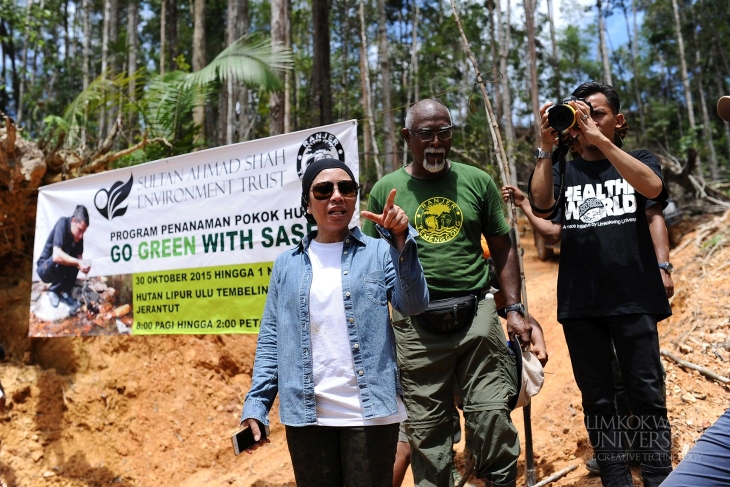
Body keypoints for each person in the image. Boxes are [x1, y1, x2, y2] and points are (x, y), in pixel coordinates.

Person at [364, 98, 531, 487]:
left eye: (444, 132)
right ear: (408, 137)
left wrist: (515, 309)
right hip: (414, 327)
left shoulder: (477, 181)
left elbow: (503, 246)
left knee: (491, 415)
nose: (436, 142)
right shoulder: (386, 190)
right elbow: (371, 267)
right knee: (427, 434)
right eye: (426, 134)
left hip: (477, 315)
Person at [240, 158, 429, 487]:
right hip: (307, 416)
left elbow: (413, 304)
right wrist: (257, 404)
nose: (337, 196)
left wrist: (401, 240)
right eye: (324, 189)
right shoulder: (287, 264)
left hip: (370, 413)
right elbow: (271, 339)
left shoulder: (378, 252)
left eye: (347, 188)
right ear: (307, 203)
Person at [528, 82, 673, 487]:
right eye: (581, 113)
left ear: (618, 121)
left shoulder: (639, 159)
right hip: (581, 302)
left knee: (645, 390)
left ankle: (659, 475)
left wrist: (599, 140)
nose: (588, 121)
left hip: (634, 295)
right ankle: (614, 477)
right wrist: (545, 146)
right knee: (598, 397)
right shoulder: (561, 165)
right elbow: (541, 204)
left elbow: (653, 190)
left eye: (598, 113)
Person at [36, 205, 91, 313]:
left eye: (83, 232)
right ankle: (53, 291)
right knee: (61, 258)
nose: (81, 236)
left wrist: (83, 265)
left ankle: (65, 290)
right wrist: (78, 262)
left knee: (75, 261)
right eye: (80, 230)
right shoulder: (62, 224)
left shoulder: (79, 236)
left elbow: (79, 257)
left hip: (59, 269)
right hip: (46, 268)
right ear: (74, 221)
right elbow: (56, 255)